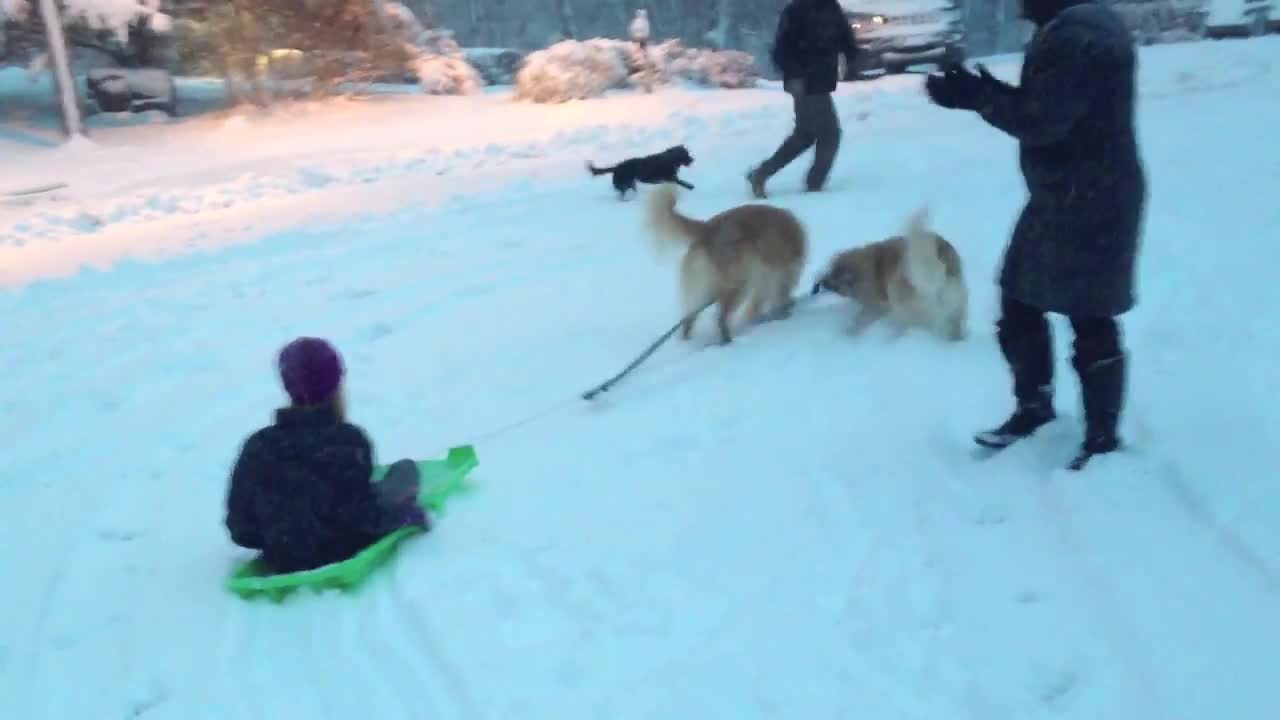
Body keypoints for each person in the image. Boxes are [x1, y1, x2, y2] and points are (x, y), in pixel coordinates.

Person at [923, 0, 1146, 471]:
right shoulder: (1080, 25)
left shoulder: (1076, 36)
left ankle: (1101, 440)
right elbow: (1047, 107)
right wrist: (981, 90)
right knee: (1019, 300)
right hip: (1069, 192)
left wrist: (975, 96)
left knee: (1090, 316)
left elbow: (1042, 122)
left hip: (1091, 198)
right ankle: (1034, 408)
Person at [224, 337, 429, 573]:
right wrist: (407, 515)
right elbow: (367, 518)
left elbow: (240, 528)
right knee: (405, 470)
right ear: (336, 385)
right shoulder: (348, 442)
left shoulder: (258, 446)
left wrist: (279, 532)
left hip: (282, 555)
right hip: (340, 549)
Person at [747, 0, 858, 199]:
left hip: (821, 78)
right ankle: (814, 185)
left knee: (805, 135)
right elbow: (781, 49)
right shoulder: (796, 10)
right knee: (830, 133)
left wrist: (852, 57)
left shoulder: (830, 6)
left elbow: (844, 35)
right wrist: (796, 76)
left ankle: (761, 174)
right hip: (803, 81)